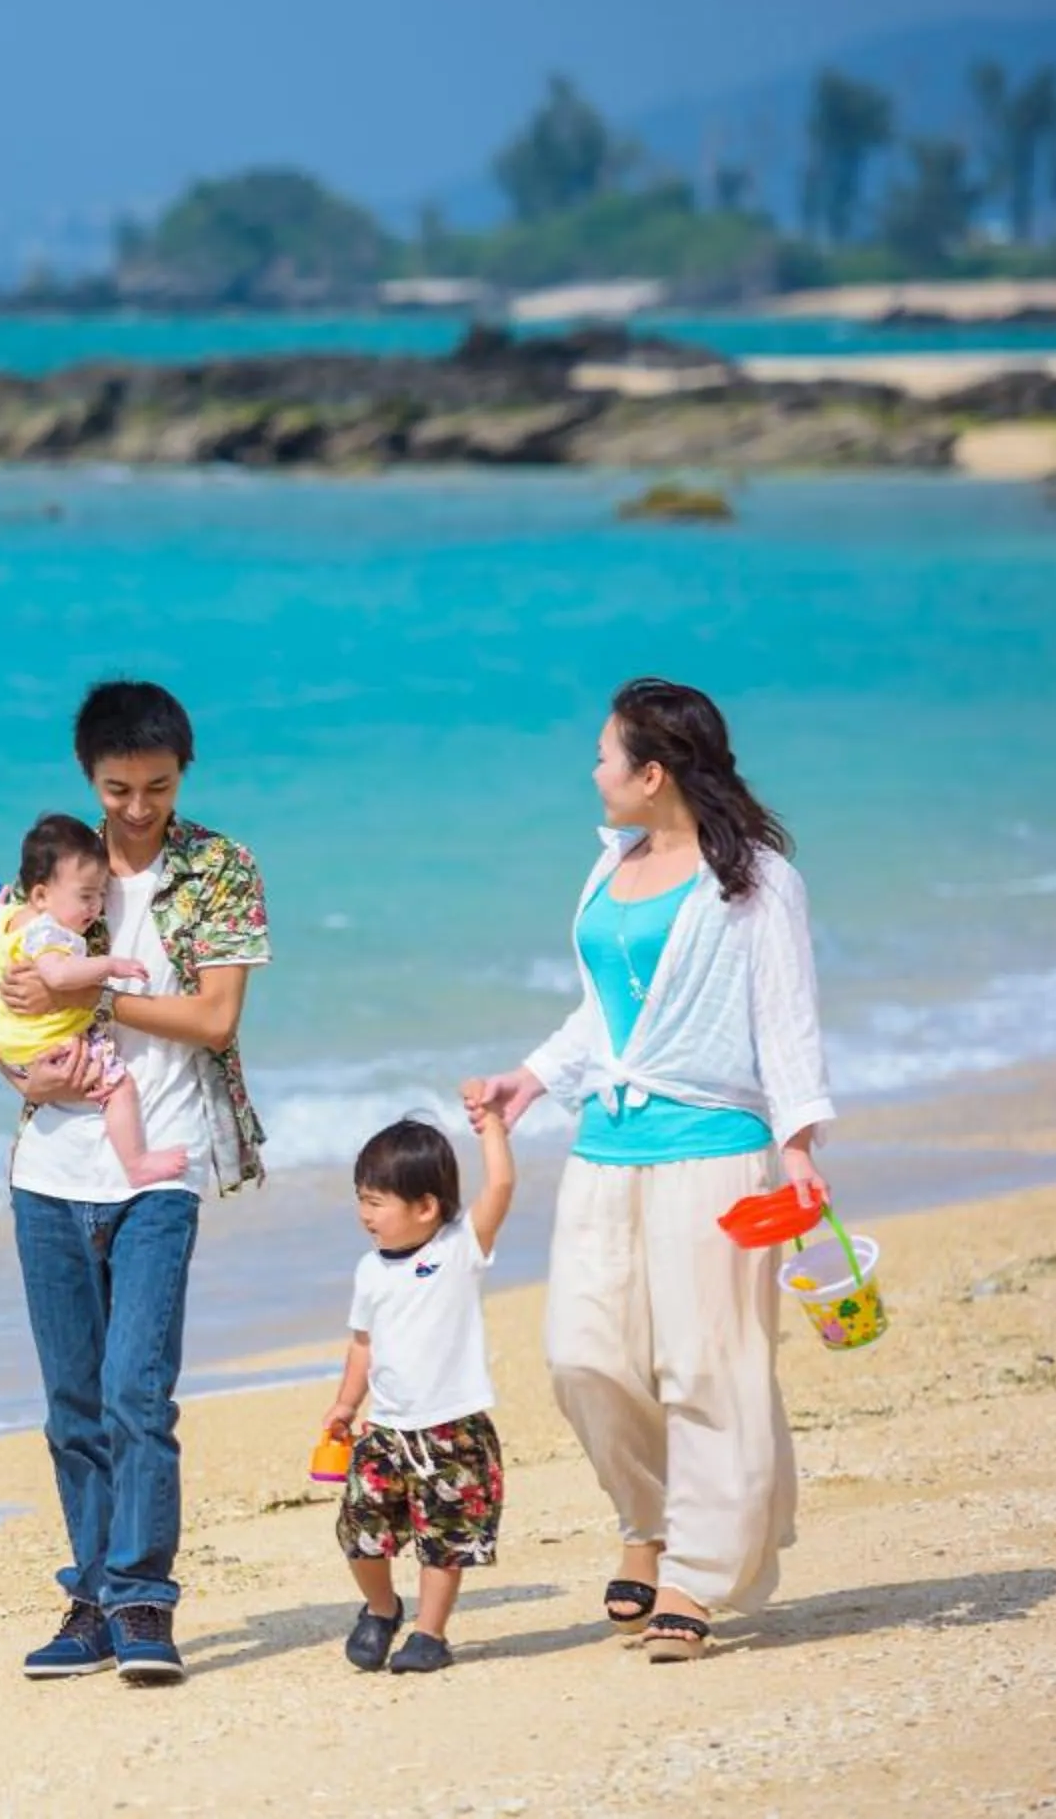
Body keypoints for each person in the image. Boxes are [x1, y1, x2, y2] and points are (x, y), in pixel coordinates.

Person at [468, 677, 832, 1664]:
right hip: (604, 1149)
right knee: (582, 1355)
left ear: (652, 771)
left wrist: (798, 1147)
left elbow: (786, 1020)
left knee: (707, 1366)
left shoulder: (754, 879)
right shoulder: (609, 868)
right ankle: (650, 1517)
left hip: (714, 1154)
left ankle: (696, 1576)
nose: (593, 771)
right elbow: (605, 1016)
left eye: (603, 755)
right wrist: (531, 1080)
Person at [0, 679, 270, 1687]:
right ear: (88, 779)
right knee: (72, 1402)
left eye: (156, 786)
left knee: (136, 1389)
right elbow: (5, 1016)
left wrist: (91, 995)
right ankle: (93, 1601)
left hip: (164, 1163)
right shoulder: (53, 877)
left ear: (183, 771)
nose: (138, 809)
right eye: (118, 788)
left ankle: (144, 1597)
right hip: (47, 1169)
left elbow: (216, 1020)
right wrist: (22, 1063)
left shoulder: (222, 867)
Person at [321, 1091, 517, 1675]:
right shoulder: (368, 1268)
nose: (365, 1213)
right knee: (360, 1527)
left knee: (446, 1537)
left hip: (452, 1427)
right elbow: (364, 1343)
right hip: (385, 1429)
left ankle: (430, 1634)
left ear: (426, 1206)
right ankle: (382, 1609)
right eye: (361, 1199)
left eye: (377, 1202)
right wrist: (344, 1403)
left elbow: (500, 1189)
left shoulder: (459, 1248)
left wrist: (492, 1129)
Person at [0, 813, 183, 1189]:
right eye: (86, 897)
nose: (96, 908)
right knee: (119, 1087)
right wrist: (109, 964)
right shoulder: (48, 933)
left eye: (103, 895)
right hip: (47, 1042)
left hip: (9, 1043)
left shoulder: (8, 921)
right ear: (40, 895)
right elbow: (58, 975)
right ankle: (137, 1163)